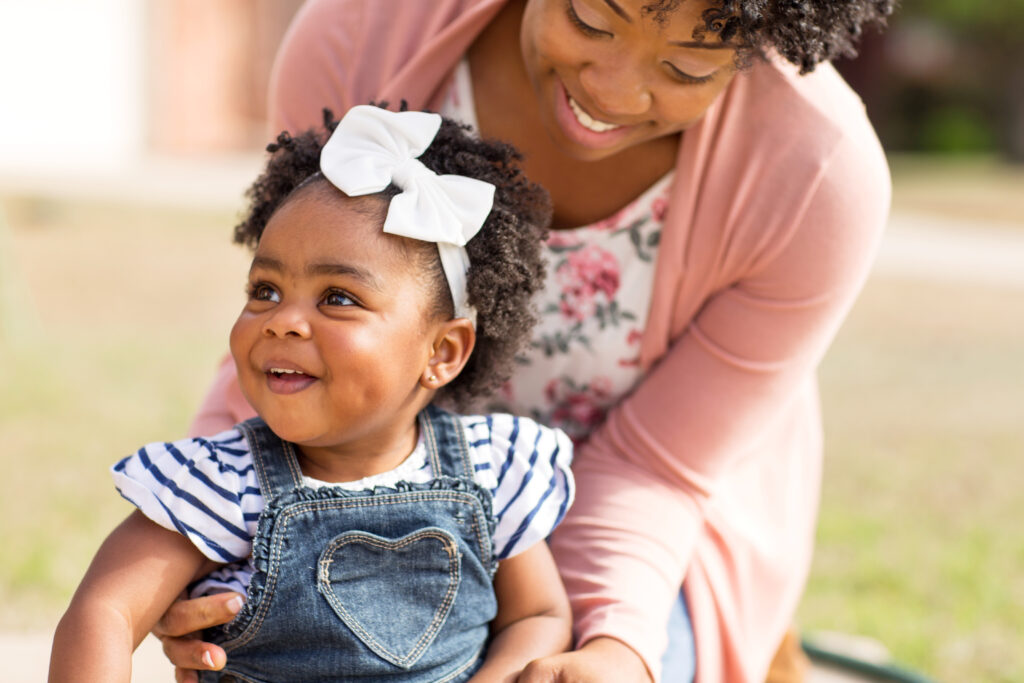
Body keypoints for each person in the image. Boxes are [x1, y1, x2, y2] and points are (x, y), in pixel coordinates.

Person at [156, 1, 895, 681]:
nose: (612, 89)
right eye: (589, 17)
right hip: (363, 468)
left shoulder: (819, 176)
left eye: (684, 68)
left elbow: (657, 468)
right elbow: (297, 331)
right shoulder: (362, 32)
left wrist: (618, 646)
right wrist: (207, 543)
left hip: (652, 521)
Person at [49, 105, 576, 682]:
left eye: (338, 298)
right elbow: (106, 611)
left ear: (442, 353)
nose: (284, 321)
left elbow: (540, 614)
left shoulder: (489, 469)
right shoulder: (224, 483)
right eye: (267, 290)